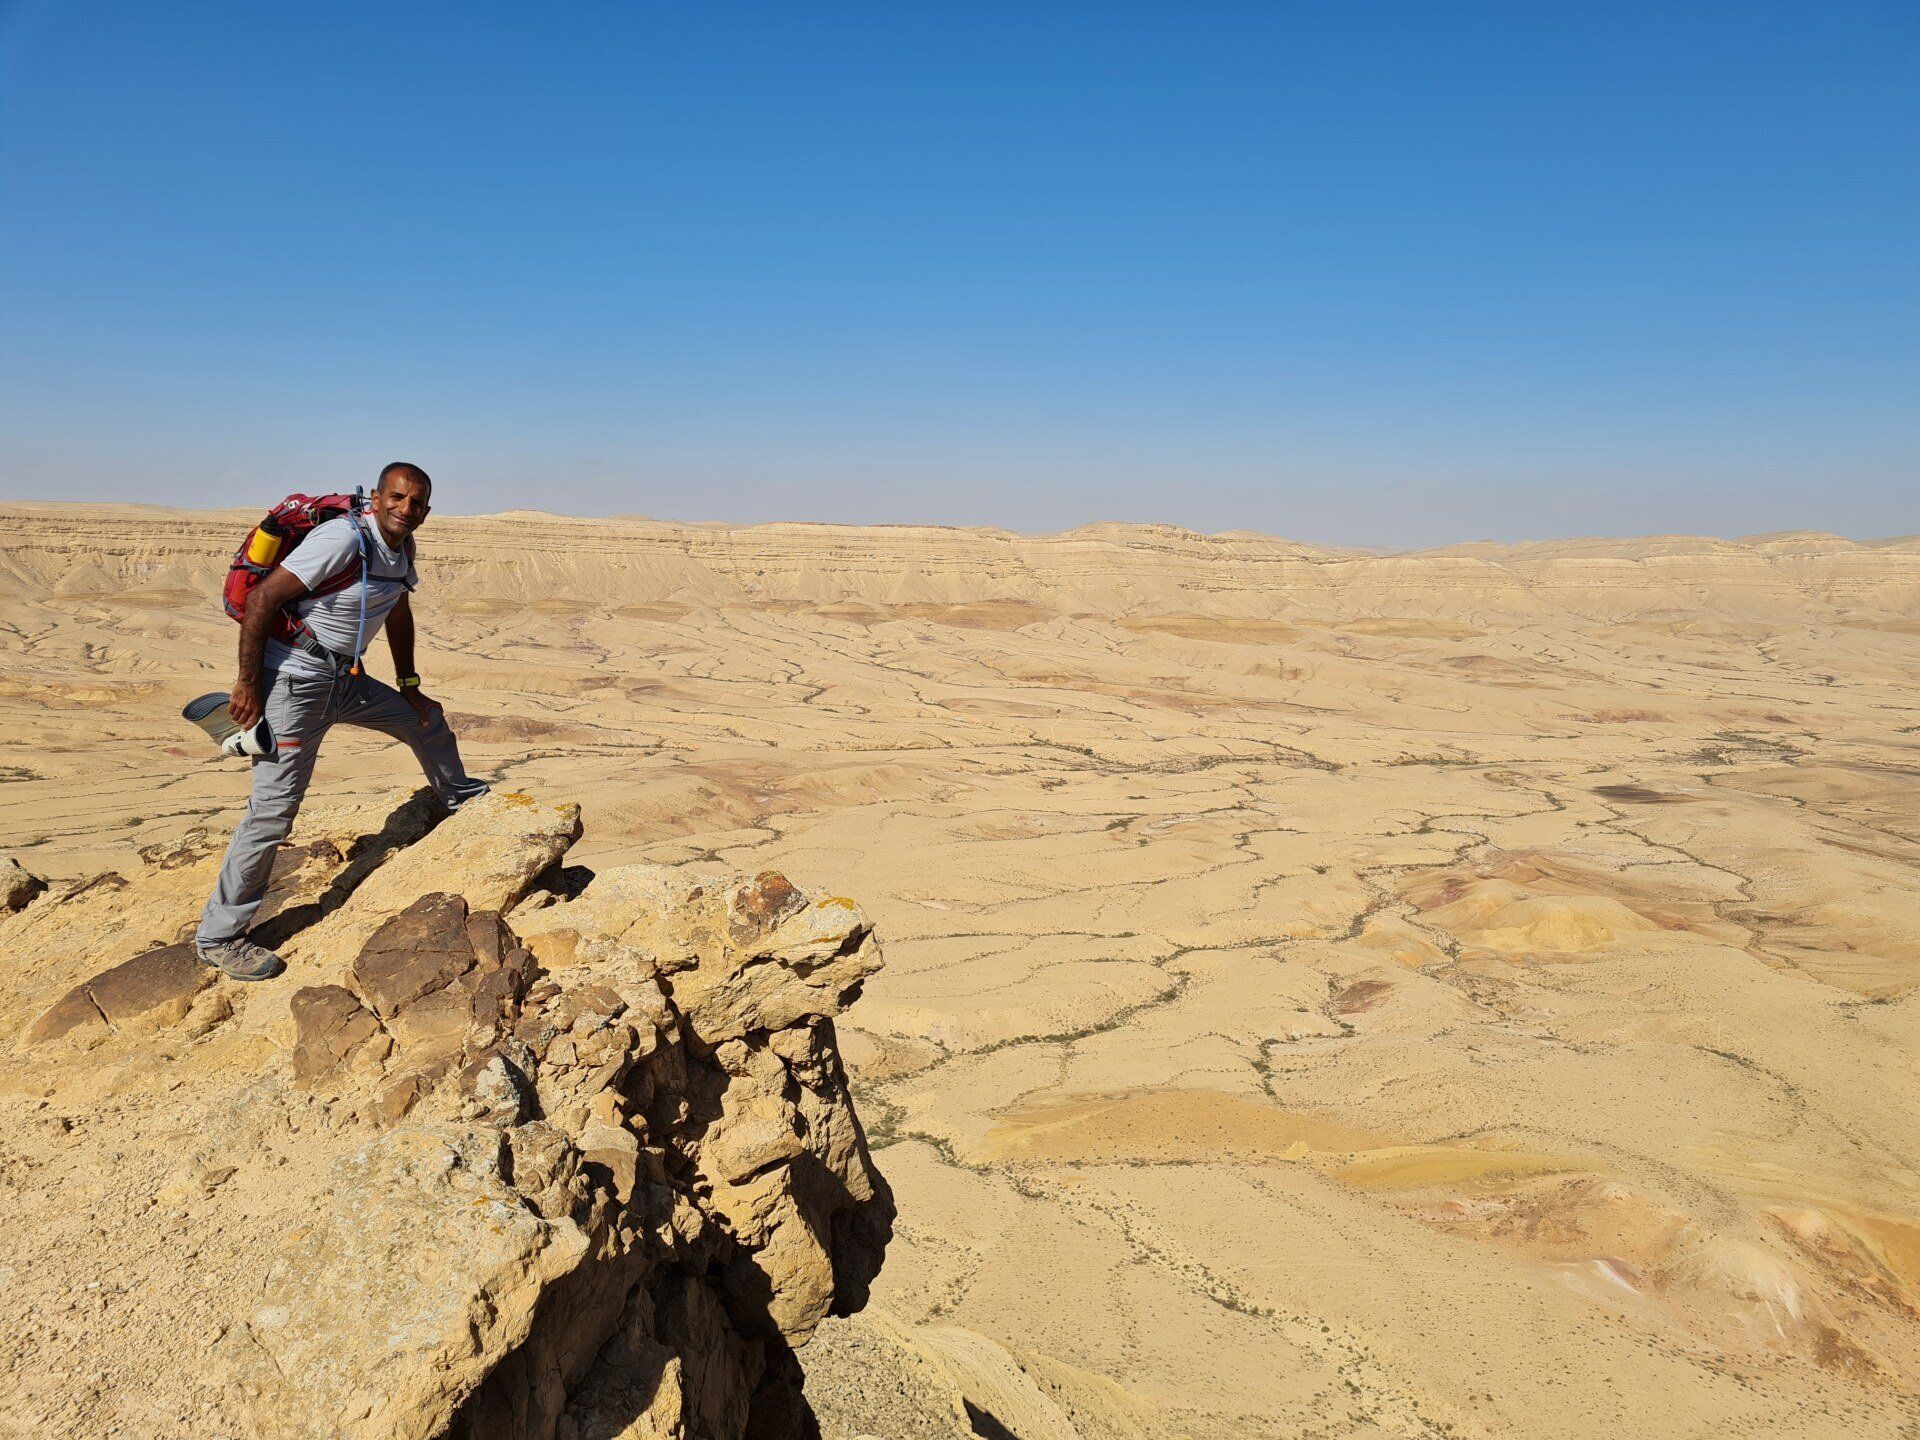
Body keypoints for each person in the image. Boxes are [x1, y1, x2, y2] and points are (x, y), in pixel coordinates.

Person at [194, 462, 489, 981]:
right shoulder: (342, 540)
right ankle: (219, 938)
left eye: (417, 502)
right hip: (296, 683)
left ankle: (458, 799)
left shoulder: (399, 550)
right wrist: (248, 684)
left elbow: (396, 609)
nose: (406, 509)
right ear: (376, 497)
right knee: (273, 812)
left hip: (345, 681)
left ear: (426, 509)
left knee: (427, 721)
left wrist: (410, 684)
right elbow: (263, 598)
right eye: (397, 498)